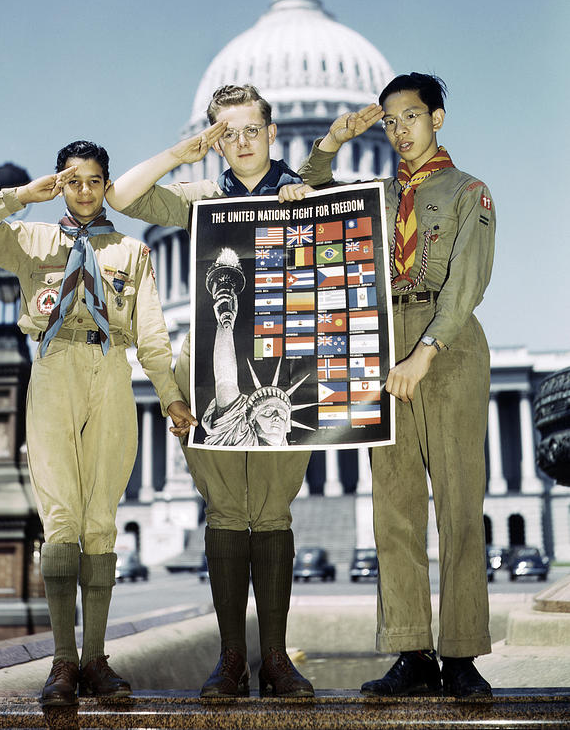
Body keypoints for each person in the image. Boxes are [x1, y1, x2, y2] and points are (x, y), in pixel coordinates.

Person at [106, 84, 381, 698]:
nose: (240, 141)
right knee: (227, 510)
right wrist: (185, 154)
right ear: (214, 140)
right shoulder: (203, 198)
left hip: (287, 367)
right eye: (225, 133)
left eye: (250, 128)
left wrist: (313, 203)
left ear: (272, 131)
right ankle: (232, 658)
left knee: (273, 511)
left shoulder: (307, 191)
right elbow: (121, 196)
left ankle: (276, 658)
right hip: (207, 360)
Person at [0, 141, 196, 707]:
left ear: (107, 186)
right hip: (54, 368)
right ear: (60, 183)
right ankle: (63, 661)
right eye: (73, 180)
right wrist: (19, 197)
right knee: (59, 518)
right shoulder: (29, 239)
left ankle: (96, 660)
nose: (84, 191)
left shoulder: (131, 251)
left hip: (110, 370)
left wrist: (171, 398)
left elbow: (154, 337)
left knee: (101, 521)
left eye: (94, 181)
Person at [299, 73, 495, 699]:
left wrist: (426, 353)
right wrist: (332, 140)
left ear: (437, 118)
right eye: (389, 120)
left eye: (410, 116)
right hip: (384, 344)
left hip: (450, 341)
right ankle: (412, 650)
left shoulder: (469, 191)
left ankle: (461, 655)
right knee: (395, 510)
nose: (399, 129)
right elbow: (310, 193)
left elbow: (467, 280)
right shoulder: (377, 197)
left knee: (460, 507)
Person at [201, 247, 309, 448]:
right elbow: (226, 382)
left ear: (288, 427)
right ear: (249, 421)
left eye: (281, 413)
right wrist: (226, 324)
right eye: (267, 412)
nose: (277, 417)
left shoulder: (290, 452)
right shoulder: (240, 437)